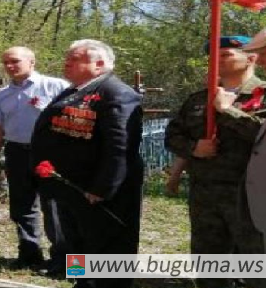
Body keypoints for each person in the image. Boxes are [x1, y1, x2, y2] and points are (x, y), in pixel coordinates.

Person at [31, 39, 144, 288]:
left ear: (100, 64)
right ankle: (81, 283)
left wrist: (102, 188)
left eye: (75, 58)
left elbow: (120, 147)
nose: (67, 62)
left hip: (97, 191)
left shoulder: (117, 93)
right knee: (77, 243)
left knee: (105, 248)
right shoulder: (74, 90)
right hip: (72, 188)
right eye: (67, 57)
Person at [166, 36, 266, 288]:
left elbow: (261, 134)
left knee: (255, 263)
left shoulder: (261, 95)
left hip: (248, 195)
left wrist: (227, 111)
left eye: (226, 54)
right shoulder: (199, 98)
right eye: (213, 56)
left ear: (251, 58)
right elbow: (173, 135)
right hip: (205, 193)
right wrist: (194, 148)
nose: (217, 61)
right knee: (208, 260)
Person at [0, 46, 69, 274]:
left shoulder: (56, 87)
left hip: (50, 154)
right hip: (17, 152)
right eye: (6, 63)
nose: (9, 66)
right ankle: (29, 253)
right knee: (21, 205)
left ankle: (62, 259)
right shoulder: (2, 95)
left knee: (53, 206)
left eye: (15, 61)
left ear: (31, 61)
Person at [216, 29, 266, 251]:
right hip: (232, 191)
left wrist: (228, 111)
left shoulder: (260, 92)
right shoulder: (203, 95)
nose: (261, 60)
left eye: (264, 53)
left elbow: (257, 132)